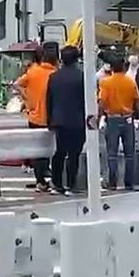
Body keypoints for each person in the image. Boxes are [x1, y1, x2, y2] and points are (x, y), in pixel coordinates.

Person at [14, 43, 57, 193]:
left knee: (37, 151)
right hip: (52, 117)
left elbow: (17, 84)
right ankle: (49, 176)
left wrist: (27, 98)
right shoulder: (55, 73)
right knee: (51, 149)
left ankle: (40, 181)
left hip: (35, 116)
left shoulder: (33, 72)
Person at [46, 46, 87, 194]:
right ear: (77, 59)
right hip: (77, 120)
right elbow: (86, 100)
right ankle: (71, 184)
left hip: (59, 120)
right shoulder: (82, 76)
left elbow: (49, 100)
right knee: (74, 154)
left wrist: (49, 119)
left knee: (60, 152)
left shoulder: (54, 76)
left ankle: (56, 183)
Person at [97, 56, 139, 191]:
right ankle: (129, 182)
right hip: (128, 118)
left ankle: (112, 182)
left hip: (112, 118)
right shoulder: (130, 82)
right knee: (129, 154)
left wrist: (99, 117)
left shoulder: (106, 82)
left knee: (112, 153)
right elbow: (138, 100)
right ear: (123, 67)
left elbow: (102, 102)